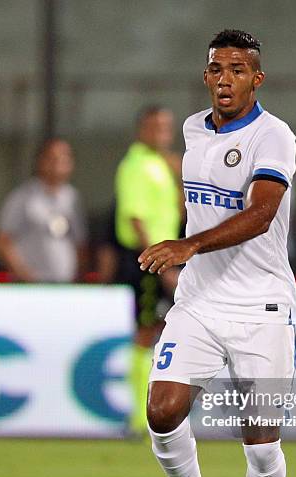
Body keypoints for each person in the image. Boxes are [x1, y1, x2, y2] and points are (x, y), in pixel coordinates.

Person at [138, 30, 296, 477]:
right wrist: (189, 252)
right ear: (206, 76)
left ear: (257, 78)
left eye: (237, 69)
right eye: (216, 69)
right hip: (200, 300)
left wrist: (190, 244)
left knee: (259, 438)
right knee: (161, 412)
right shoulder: (192, 129)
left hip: (262, 308)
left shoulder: (274, 136)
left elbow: (261, 215)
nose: (224, 78)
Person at [114, 107, 181, 437]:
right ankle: (140, 417)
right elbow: (135, 219)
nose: (162, 132)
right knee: (145, 332)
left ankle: (160, 411)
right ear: (142, 129)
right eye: (156, 126)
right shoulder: (136, 165)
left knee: (162, 329)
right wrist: (160, 263)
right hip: (148, 261)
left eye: (167, 127)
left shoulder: (161, 165)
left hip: (163, 257)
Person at [0, 138, 87, 282]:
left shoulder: (73, 198)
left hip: (64, 283)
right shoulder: (23, 197)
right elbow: (3, 242)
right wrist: (23, 274)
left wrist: (78, 276)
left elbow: (80, 243)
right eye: (53, 158)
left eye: (64, 159)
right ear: (40, 161)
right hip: (31, 285)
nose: (58, 164)